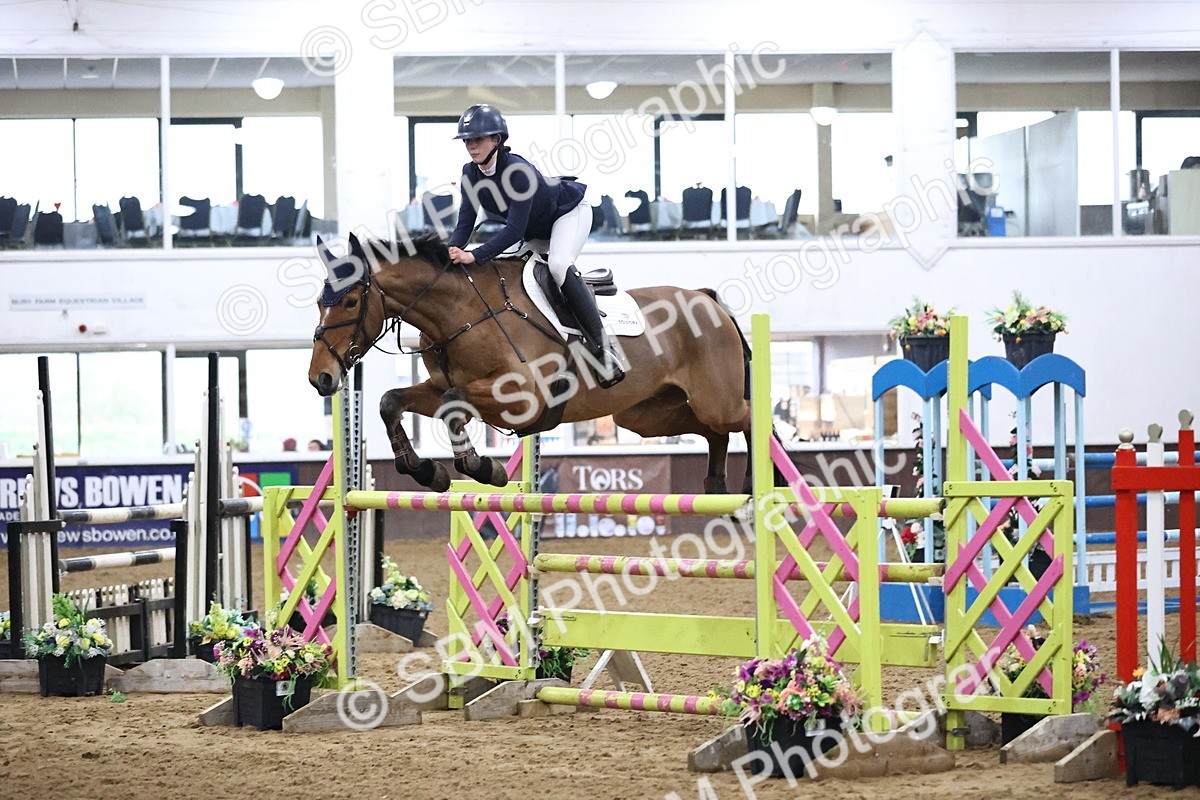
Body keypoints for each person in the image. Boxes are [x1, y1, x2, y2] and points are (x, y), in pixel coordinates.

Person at [445, 103, 624, 388]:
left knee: (558, 265)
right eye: (467, 140)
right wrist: (450, 252)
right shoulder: (470, 173)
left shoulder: (517, 171)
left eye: (477, 139)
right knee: (514, 275)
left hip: (568, 213)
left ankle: (605, 351)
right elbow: (465, 224)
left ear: (497, 140)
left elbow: (514, 230)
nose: (471, 146)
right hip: (535, 228)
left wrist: (474, 256)